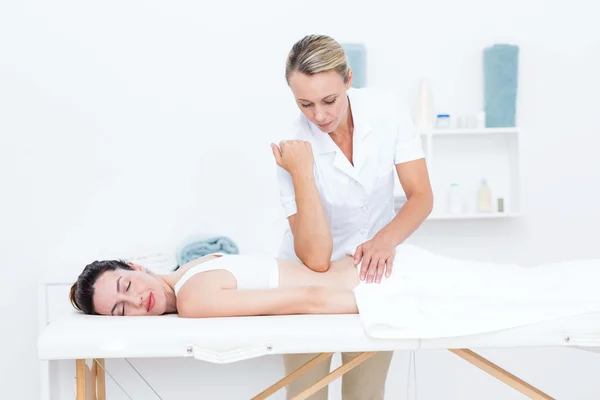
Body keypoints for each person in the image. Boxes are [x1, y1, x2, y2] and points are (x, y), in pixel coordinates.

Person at [270, 34, 434, 399]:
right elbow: (313, 257)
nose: (320, 115)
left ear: (348, 79)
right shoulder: (289, 146)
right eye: (305, 104)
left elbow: (421, 196)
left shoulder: (387, 110)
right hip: (308, 281)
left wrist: (384, 239)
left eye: (329, 100)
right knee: (305, 392)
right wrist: (301, 172)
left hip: (374, 276)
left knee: (366, 392)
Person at [69, 252, 360, 318]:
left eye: (127, 286)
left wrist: (385, 306)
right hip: (360, 270)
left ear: (135, 266)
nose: (136, 302)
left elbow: (310, 298)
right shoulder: (192, 268)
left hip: (367, 284)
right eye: (121, 311)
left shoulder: (191, 297)